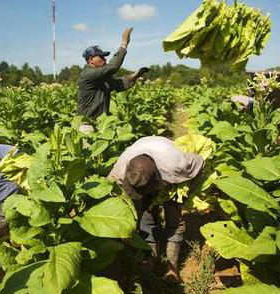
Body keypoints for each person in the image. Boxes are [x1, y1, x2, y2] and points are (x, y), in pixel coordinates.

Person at [108, 136, 205, 282]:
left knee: (174, 222)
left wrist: (187, 191)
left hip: (172, 182)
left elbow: (201, 163)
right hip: (148, 156)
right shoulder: (123, 164)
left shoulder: (177, 165)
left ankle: (172, 268)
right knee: (147, 219)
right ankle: (152, 258)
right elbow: (109, 185)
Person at [77, 27, 149, 132]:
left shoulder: (101, 78)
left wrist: (135, 76)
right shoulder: (88, 74)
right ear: (91, 60)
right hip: (87, 124)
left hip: (101, 124)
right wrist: (124, 44)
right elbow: (113, 67)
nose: (104, 59)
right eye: (101, 57)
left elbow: (118, 84)